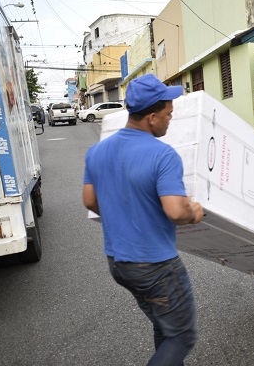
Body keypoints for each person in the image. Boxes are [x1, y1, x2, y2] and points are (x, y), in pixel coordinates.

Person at [82, 74, 205, 366]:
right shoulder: (162, 155)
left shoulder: (97, 152)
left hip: (119, 263)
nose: (169, 120)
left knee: (165, 325)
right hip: (155, 266)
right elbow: (176, 211)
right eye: (168, 115)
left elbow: (90, 200)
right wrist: (194, 212)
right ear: (151, 118)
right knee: (182, 335)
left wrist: (124, 210)